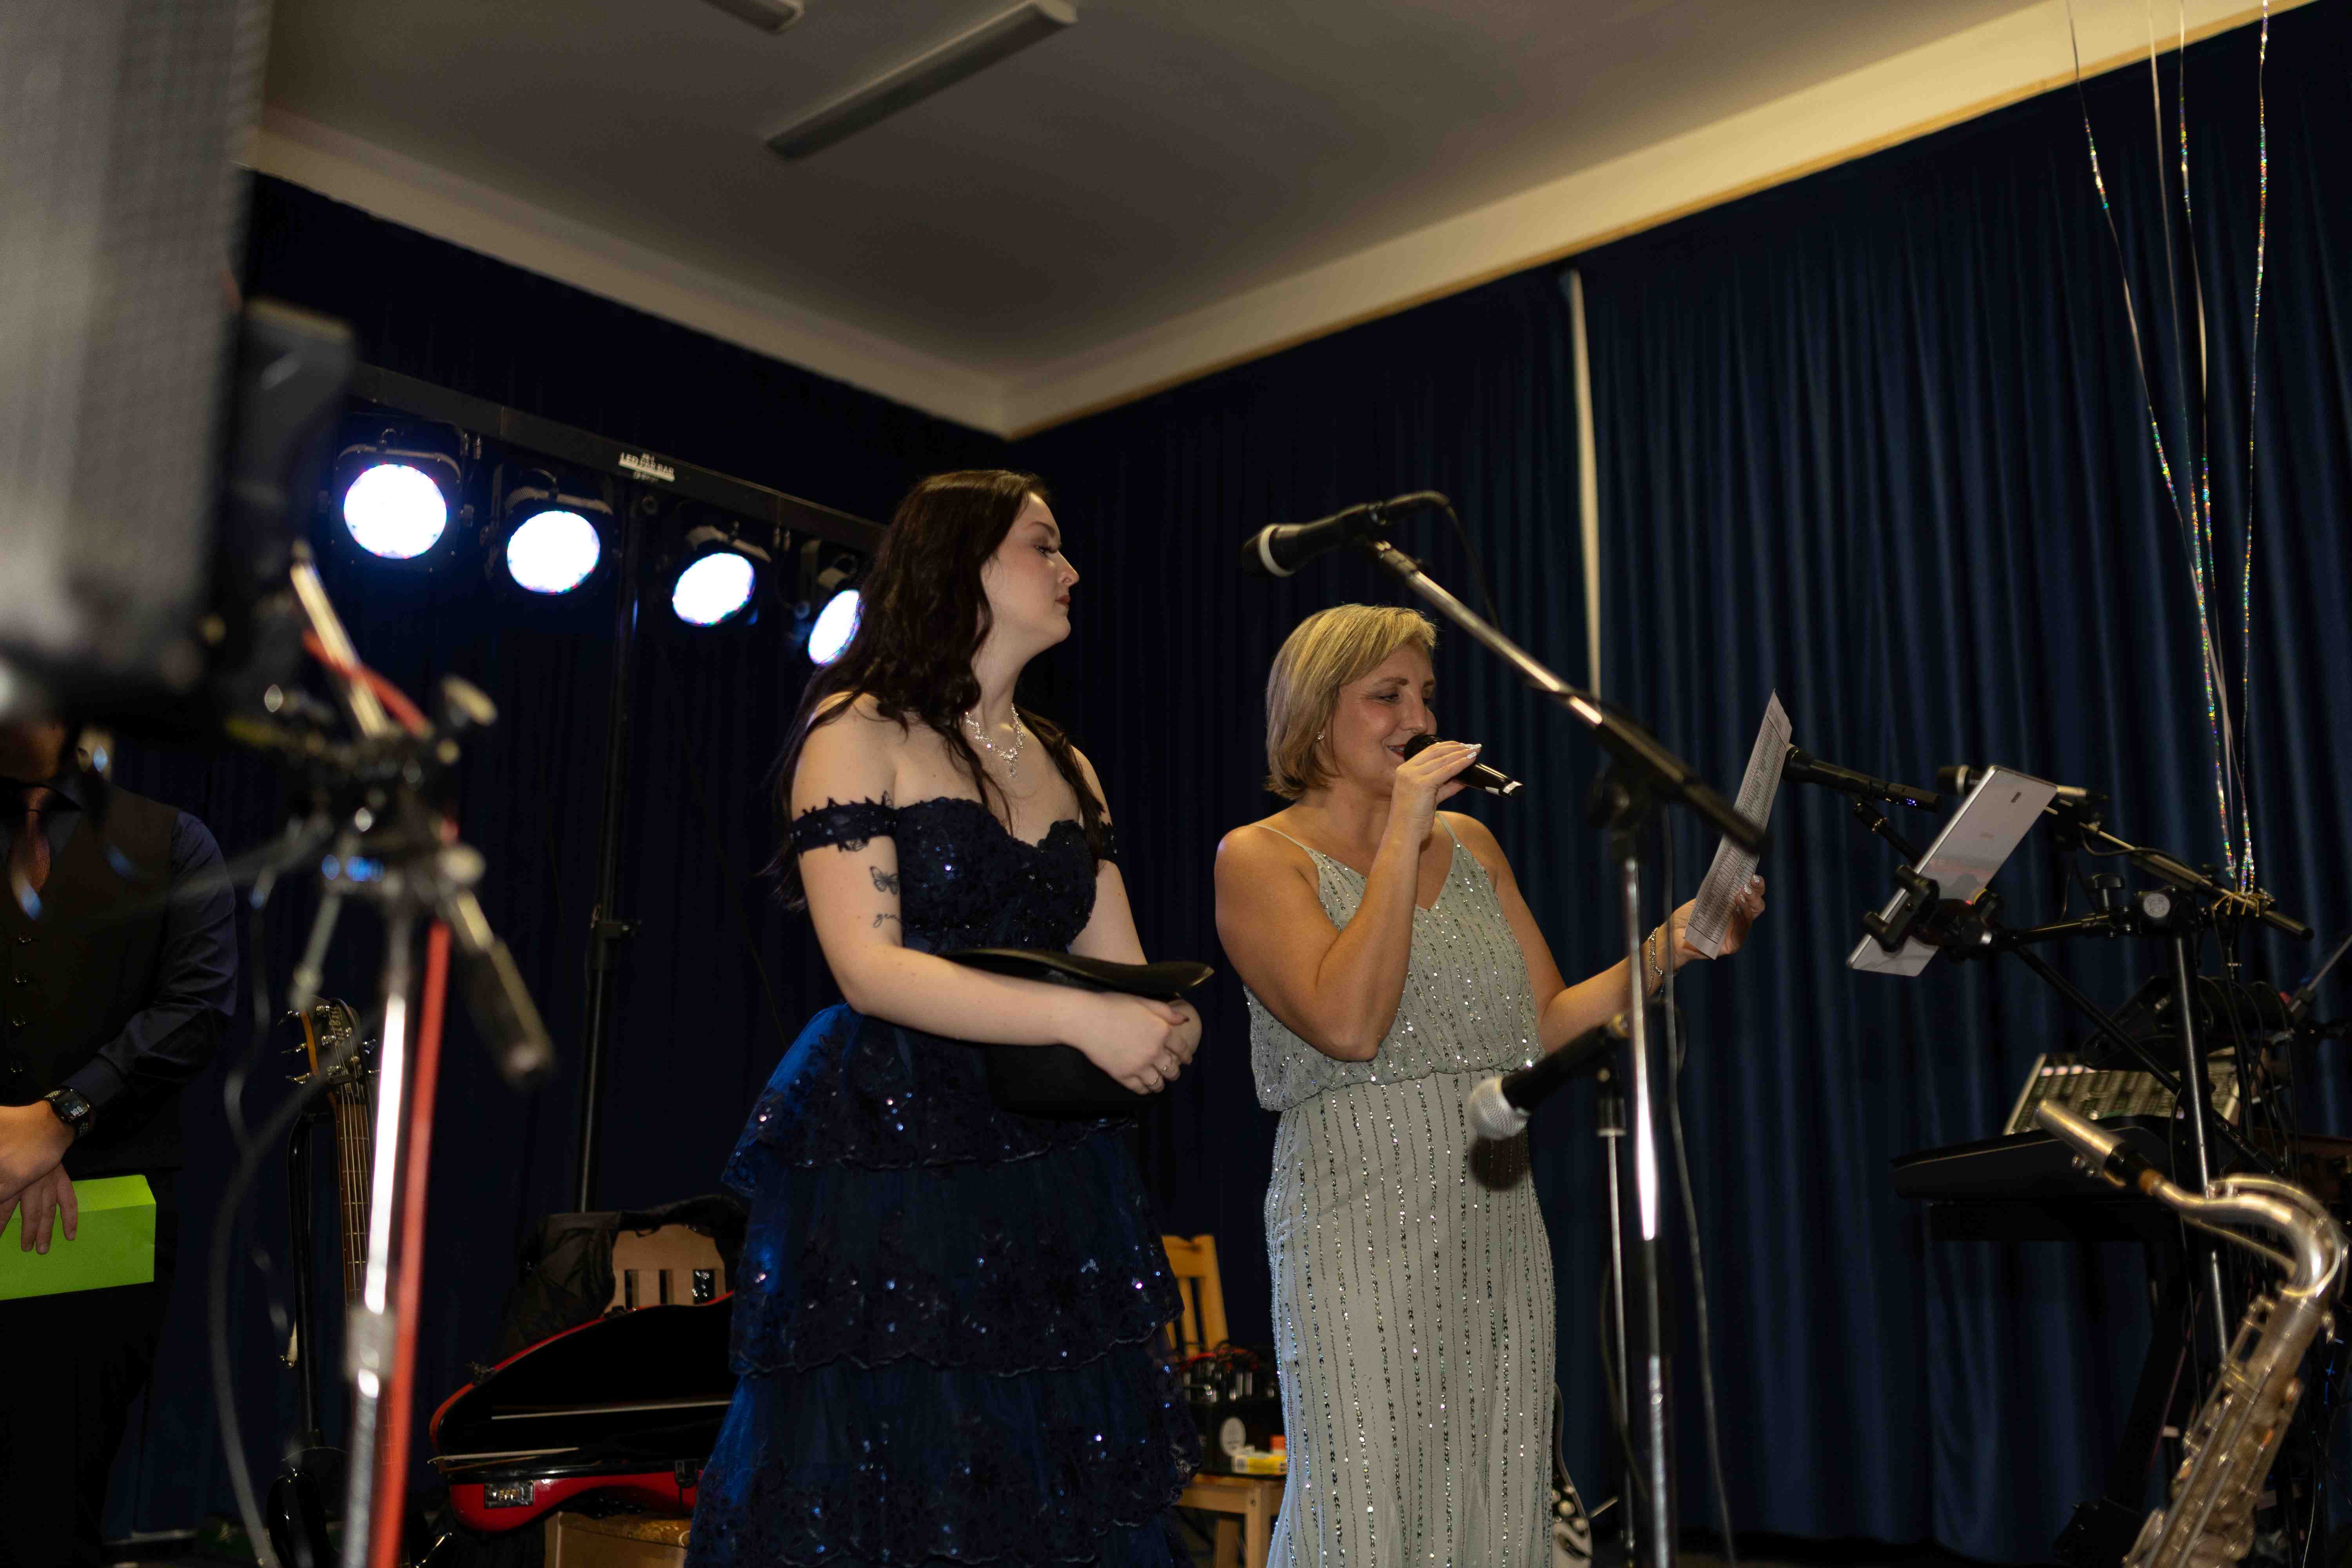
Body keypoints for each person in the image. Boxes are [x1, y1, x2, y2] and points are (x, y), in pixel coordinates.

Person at [687, 471, 1203, 1567]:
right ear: (961, 560)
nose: (1070, 570)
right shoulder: (859, 730)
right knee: (908, 1460)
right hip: (897, 1141)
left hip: (1044, 1153)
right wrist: (1083, 1026)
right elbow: (870, 970)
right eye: (1042, 545)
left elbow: (1117, 966)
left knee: (1047, 1471)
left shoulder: (1069, 763)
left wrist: (1163, 1020)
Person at [1213, 605, 1764, 1565]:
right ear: (1314, 714)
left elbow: (1542, 1027)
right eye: (1386, 695)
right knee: (1367, 1500)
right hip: (1357, 1222)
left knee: (1495, 1490)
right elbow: (1348, 1023)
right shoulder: (1259, 856)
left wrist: (1670, 944)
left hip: (1494, 1213)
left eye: (1426, 694)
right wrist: (1401, 833)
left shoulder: (1471, 843)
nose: (1418, 718)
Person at [0, 718, 238, 1566]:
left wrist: (59, 1119)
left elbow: (196, 1007)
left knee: (49, 1506)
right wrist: (8, 1143)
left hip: (102, 1223)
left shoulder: (176, 842)